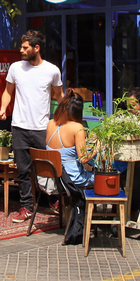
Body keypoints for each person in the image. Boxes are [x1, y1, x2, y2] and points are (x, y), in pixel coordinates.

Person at [0, 30, 63, 223]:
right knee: (23, 170)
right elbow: (7, 92)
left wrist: (63, 120)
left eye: (25, 47)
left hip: (42, 127)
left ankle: (54, 199)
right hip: (19, 126)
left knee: (49, 166)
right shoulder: (16, 68)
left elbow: (60, 96)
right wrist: (3, 107)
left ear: (37, 48)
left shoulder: (52, 70)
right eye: (21, 47)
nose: (21, 50)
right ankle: (26, 206)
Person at [45, 93, 92, 245]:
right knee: (108, 177)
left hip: (53, 177)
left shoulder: (51, 123)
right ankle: (105, 220)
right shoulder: (77, 128)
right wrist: (97, 147)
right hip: (72, 179)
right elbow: (84, 158)